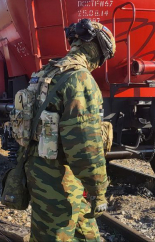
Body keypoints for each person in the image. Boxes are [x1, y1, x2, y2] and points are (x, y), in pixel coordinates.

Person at [24, 19, 116, 241]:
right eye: (103, 57)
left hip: (39, 170)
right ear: (96, 49)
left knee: (86, 234)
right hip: (62, 182)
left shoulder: (45, 72)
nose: (100, 63)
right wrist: (98, 190)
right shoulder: (80, 78)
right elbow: (85, 147)